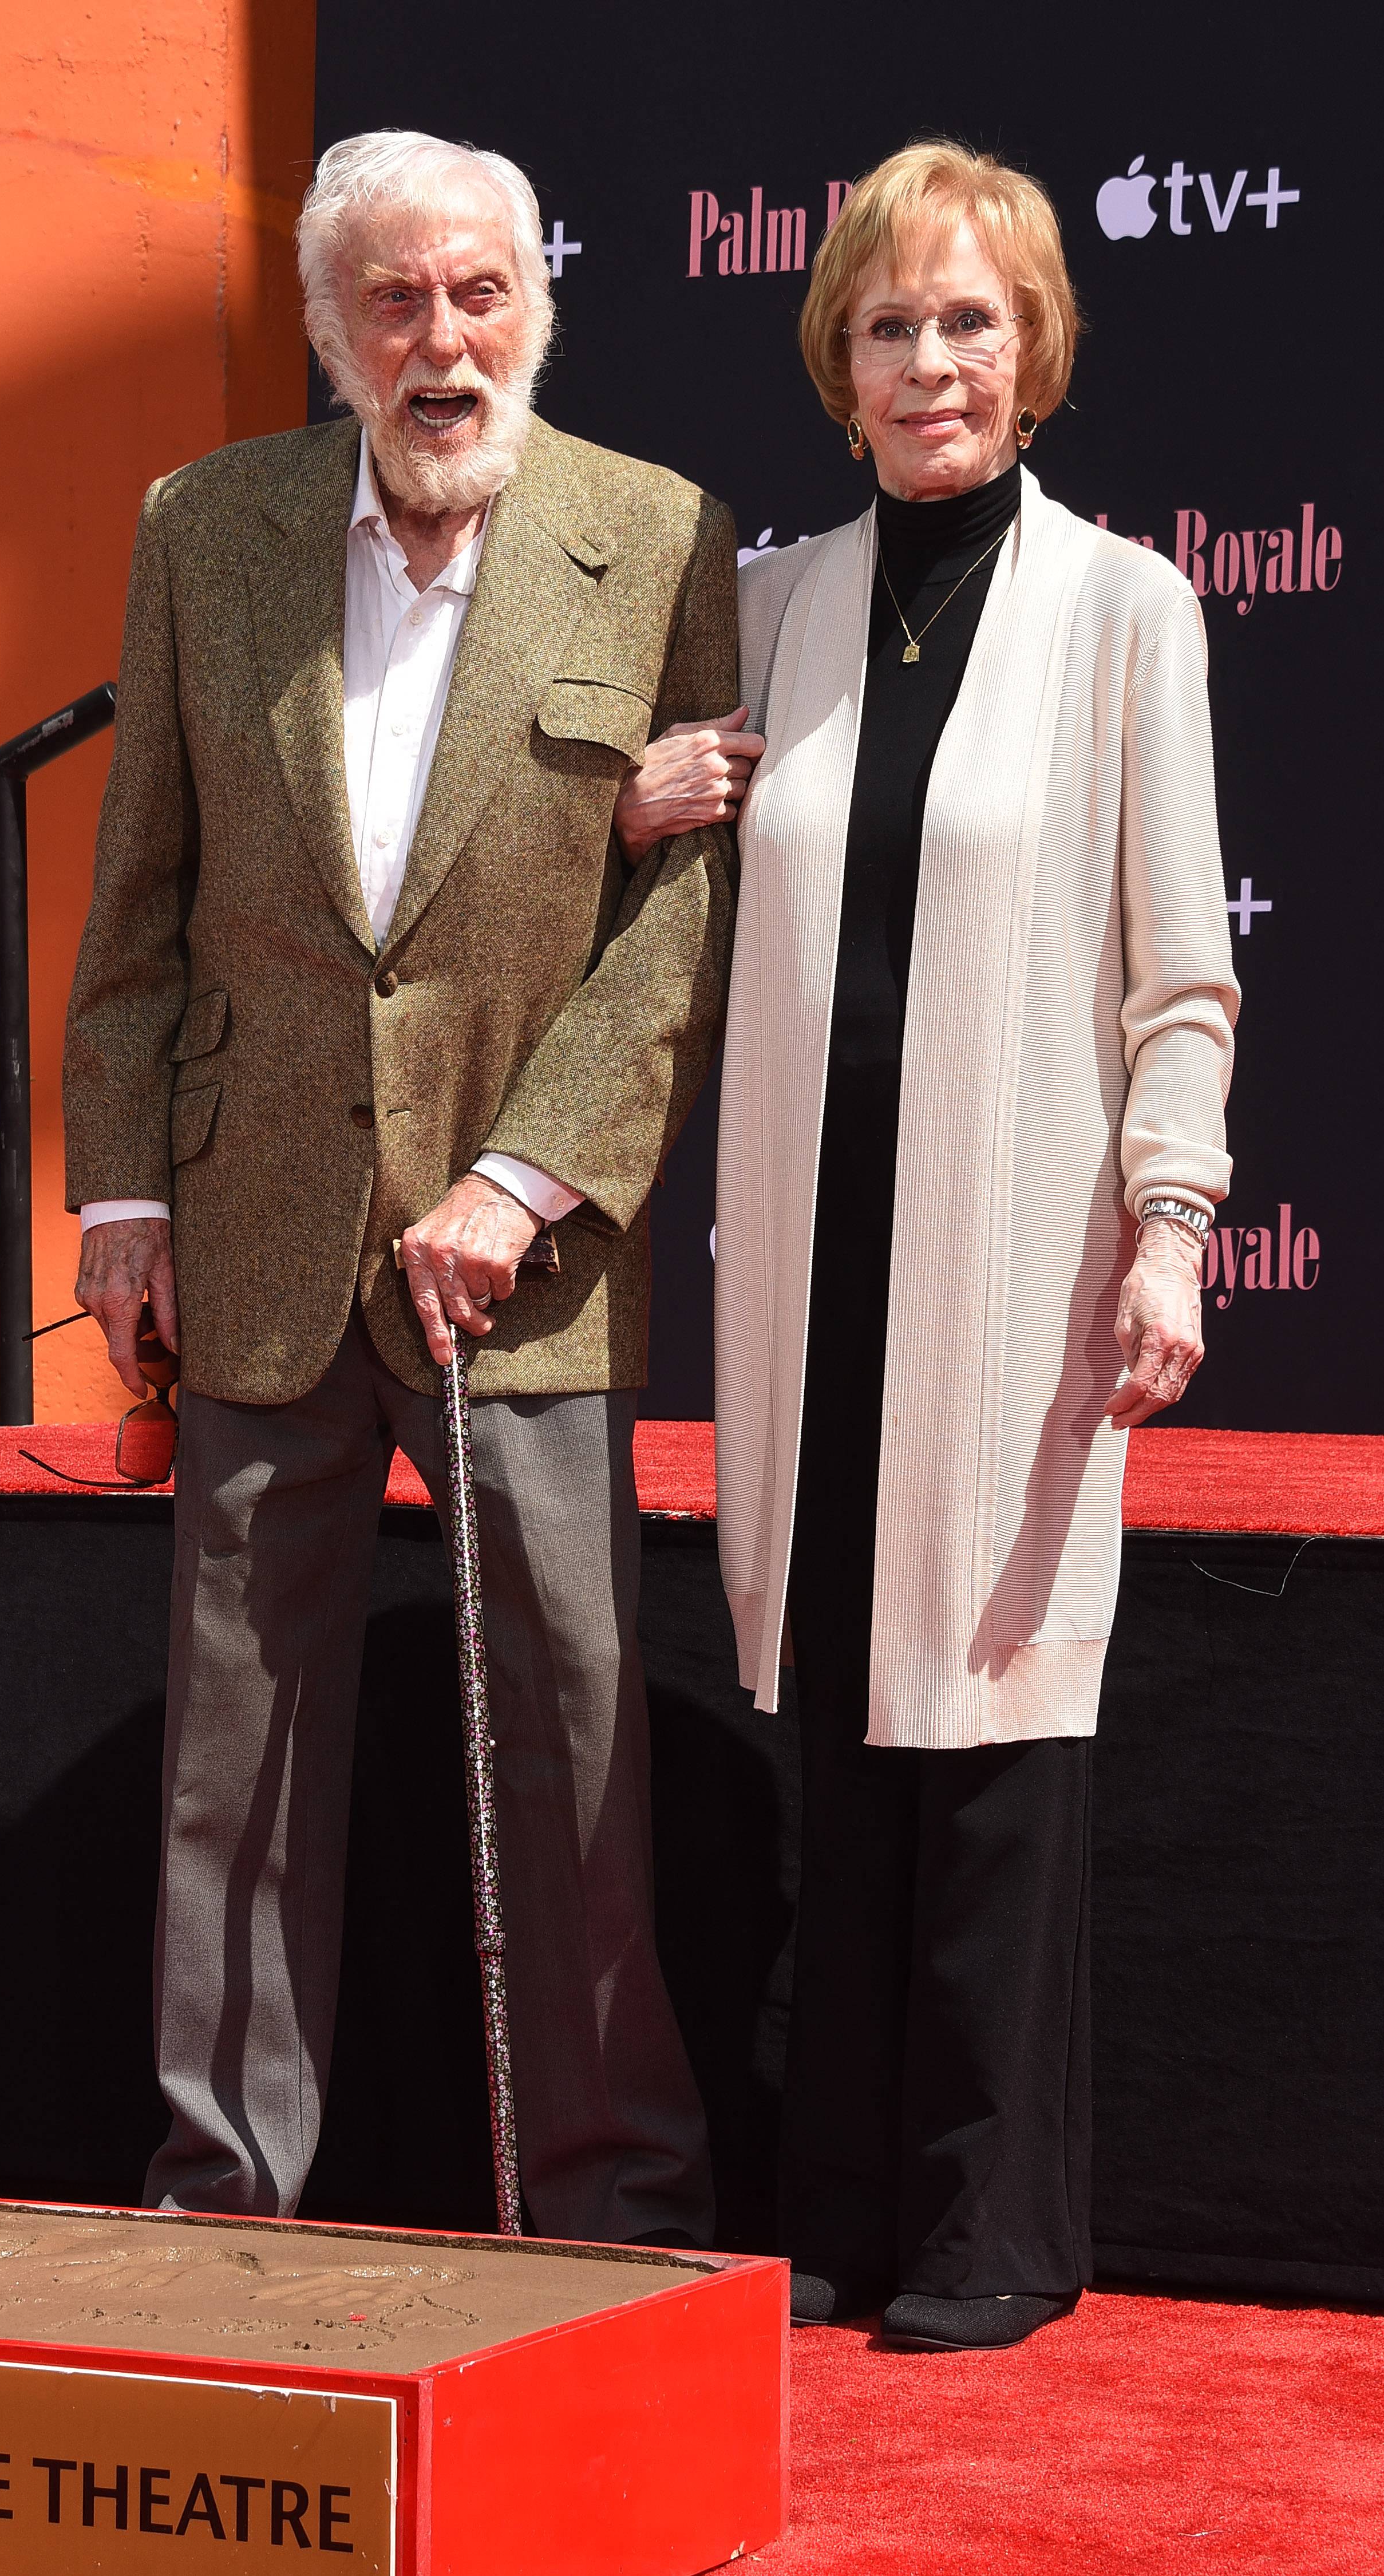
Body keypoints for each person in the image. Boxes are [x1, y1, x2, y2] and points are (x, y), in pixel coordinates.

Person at [63, 129, 758, 2245]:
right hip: (250, 1222)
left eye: (476, 296)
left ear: (532, 308)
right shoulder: (209, 527)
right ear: (329, 330)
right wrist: (119, 1202)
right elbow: (141, 896)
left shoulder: (652, 535)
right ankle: (221, 2201)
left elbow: (682, 917)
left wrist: (526, 1177)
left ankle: (611, 2209)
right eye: (394, 301)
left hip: (516, 1260)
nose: (439, 341)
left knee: (569, 1748)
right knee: (234, 1770)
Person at [709, 140, 1237, 2348]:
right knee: (829, 1726)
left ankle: (985, 2230)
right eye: (889, 325)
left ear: (1036, 355)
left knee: (996, 1735)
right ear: (835, 362)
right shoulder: (774, 605)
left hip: (1014, 1254)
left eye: (969, 323)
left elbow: (1176, 968)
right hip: (806, 1275)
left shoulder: (1127, 609)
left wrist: (1170, 1220)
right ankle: (830, 2201)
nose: (930, 361)